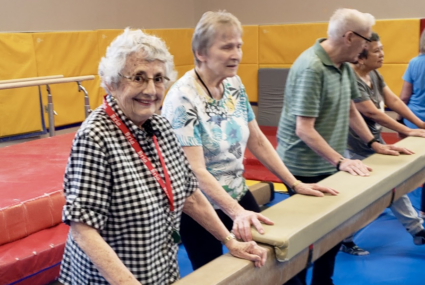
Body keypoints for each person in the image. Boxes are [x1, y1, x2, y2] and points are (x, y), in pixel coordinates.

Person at [58, 28, 268, 285]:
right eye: (138, 77)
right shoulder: (95, 137)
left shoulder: (161, 127)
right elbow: (83, 230)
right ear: (112, 81)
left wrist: (229, 241)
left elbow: (191, 196)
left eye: (158, 79)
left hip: (160, 271)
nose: (151, 89)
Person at [161, 10, 337, 272]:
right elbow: (195, 171)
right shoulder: (182, 98)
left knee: (278, 266)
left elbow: (257, 139)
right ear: (202, 53)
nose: (236, 54)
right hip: (200, 208)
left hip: (237, 192)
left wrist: (293, 183)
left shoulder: (233, 83)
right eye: (227, 47)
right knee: (218, 275)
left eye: (239, 45)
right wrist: (235, 213)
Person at [276, 9, 412, 285]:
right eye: (365, 41)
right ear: (349, 37)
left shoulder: (343, 66)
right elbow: (304, 129)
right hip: (303, 167)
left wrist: (374, 143)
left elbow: (352, 110)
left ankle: (324, 281)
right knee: (304, 239)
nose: (367, 47)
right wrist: (342, 161)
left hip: (331, 164)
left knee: (333, 233)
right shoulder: (312, 67)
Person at [339, 32, 425, 256]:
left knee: (393, 184)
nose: (382, 54)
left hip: (373, 144)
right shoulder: (352, 79)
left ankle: (417, 230)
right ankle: (344, 238)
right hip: (350, 148)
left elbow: (394, 101)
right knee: (363, 197)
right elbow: (371, 112)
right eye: (377, 51)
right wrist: (407, 130)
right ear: (361, 56)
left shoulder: (374, 75)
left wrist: (420, 124)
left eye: (382, 49)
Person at [398, 29, 425, 219]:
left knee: (408, 162)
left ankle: (401, 197)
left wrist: (400, 120)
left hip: (413, 117)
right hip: (415, 120)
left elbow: (404, 96)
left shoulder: (415, 63)